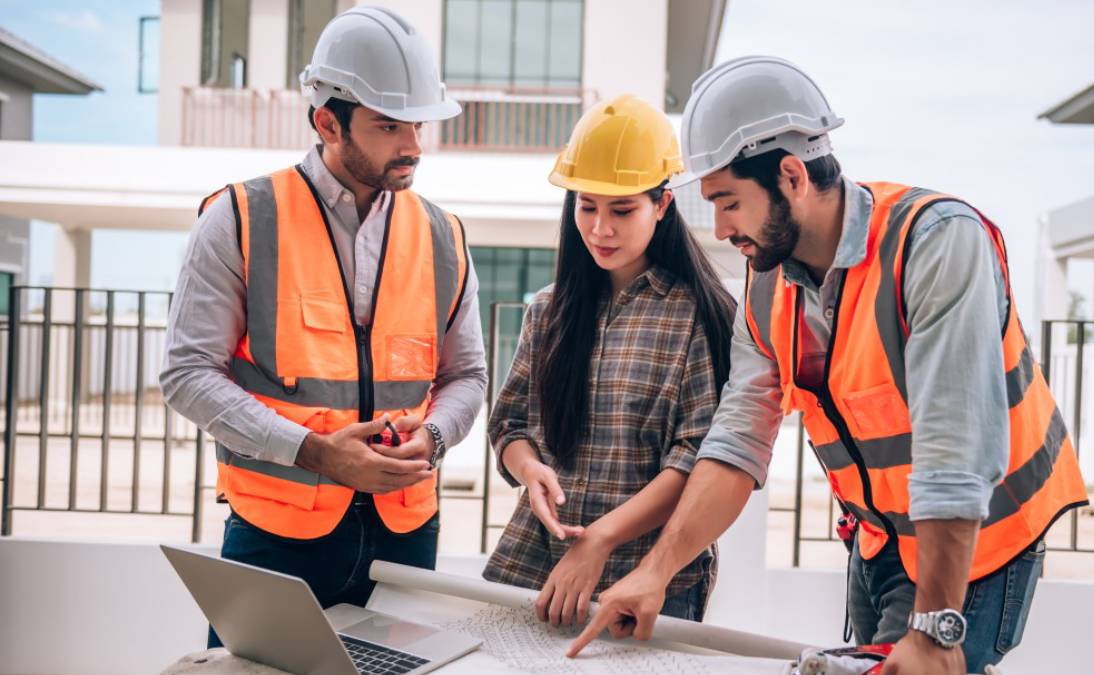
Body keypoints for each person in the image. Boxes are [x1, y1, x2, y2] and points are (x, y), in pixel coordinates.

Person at [569, 57, 1088, 675]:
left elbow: (955, 445)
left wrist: (934, 628)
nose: (720, 226)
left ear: (791, 176)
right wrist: (655, 573)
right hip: (878, 542)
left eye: (729, 202)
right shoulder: (767, 287)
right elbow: (736, 442)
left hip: (976, 541)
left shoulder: (937, 242)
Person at [160, 7, 486, 647]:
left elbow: (467, 374)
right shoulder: (240, 218)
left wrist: (438, 438)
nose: (413, 144)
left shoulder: (443, 235)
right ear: (327, 122)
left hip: (406, 535)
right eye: (389, 125)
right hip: (275, 538)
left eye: (418, 122)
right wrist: (314, 453)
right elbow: (186, 373)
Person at [483, 94, 736, 627]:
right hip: (538, 566)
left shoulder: (698, 317)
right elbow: (508, 424)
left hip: (647, 580)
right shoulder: (549, 310)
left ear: (662, 205)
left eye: (622, 210)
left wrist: (600, 538)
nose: (600, 229)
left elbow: (695, 461)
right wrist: (530, 472)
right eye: (586, 206)